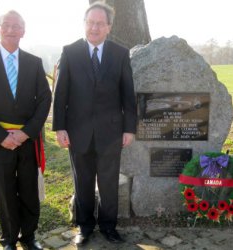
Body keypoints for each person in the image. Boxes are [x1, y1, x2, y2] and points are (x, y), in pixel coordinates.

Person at [52, 2, 137, 246]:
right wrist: (60, 127)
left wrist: (129, 128)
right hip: (78, 133)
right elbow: (61, 94)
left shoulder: (120, 54)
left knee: (109, 184)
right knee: (83, 183)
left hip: (111, 132)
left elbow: (127, 94)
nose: (94, 28)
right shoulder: (70, 52)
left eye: (100, 23)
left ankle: (109, 227)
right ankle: (85, 226)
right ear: (84, 24)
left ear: (109, 27)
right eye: (90, 22)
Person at [0, 10, 51, 250]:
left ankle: (29, 237)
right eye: (6, 24)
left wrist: (27, 132)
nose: (11, 29)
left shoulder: (33, 62)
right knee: (5, 194)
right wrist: (0, 137)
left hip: (27, 140)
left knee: (28, 191)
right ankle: (9, 239)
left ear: (23, 31)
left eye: (16, 25)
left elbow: (45, 99)